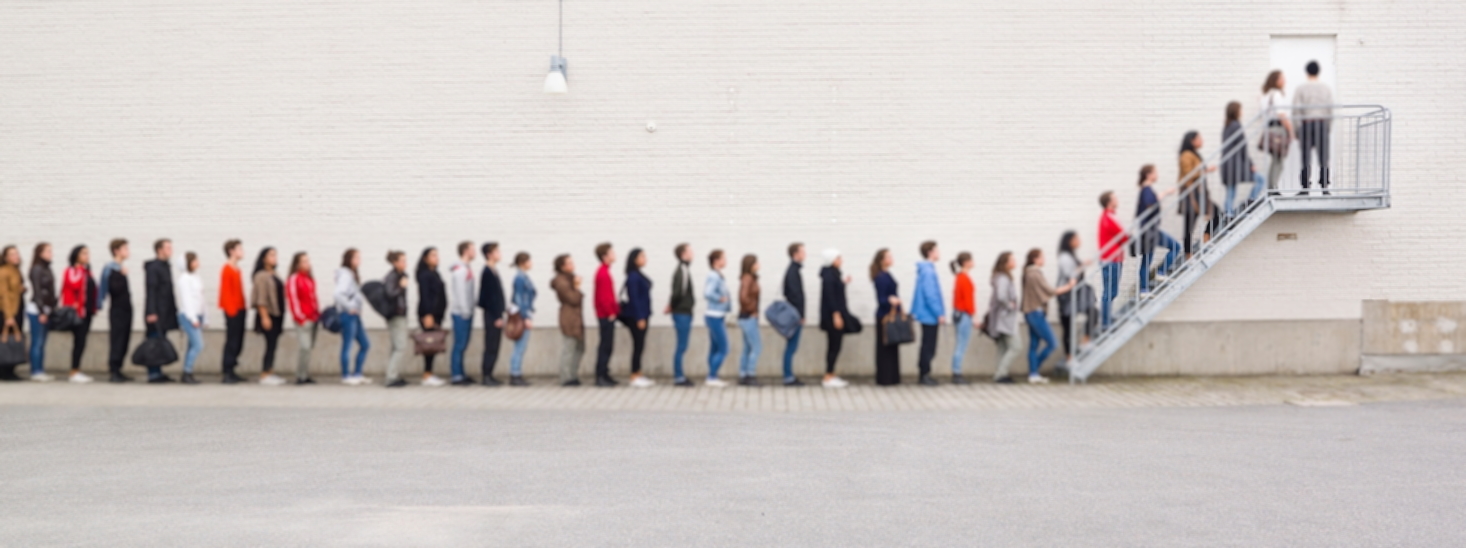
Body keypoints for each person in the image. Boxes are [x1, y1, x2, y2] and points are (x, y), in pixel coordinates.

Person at [1022, 248, 1076, 384]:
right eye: (1041, 257)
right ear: (1035, 259)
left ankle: (1033, 374)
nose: (1044, 260)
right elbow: (1051, 291)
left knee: (1034, 344)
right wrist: (1069, 286)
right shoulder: (1034, 273)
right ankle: (1035, 369)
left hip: (1031, 312)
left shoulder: (1028, 273)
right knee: (1052, 343)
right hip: (1036, 312)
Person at [1136, 164, 1182, 294]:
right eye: (1155, 172)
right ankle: (1161, 272)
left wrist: (1164, 194)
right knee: (1176, 247)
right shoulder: (1146, 190)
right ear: (1149, 175)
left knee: (1146, 261)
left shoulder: (1145, 189)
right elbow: (1151, 205)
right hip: (1150, 230)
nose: (1157, 175)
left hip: (1147, 230)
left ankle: (1144, 290)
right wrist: (1165, 193)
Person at [1056, 231, 1097, 363]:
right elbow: (1070, 274)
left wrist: (1082, 265)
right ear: (1069, 241)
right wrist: (1075, 275)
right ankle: (1069, 357)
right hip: (1067, 296)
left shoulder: (1070, 256)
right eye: (1076, 239)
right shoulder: (1064, 257)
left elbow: (1074, 271)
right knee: (1068, 327)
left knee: (1093, 311)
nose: (1079, 241)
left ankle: (1085, 340)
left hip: (1076, 295)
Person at [59, 245, 97, 383]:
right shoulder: (72, 270)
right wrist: (81, 269)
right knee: (78, 342)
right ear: (76, 255)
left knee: (82, 342)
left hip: (87, 313)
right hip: (77, 313)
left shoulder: (87, 271)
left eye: (88, 253)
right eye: (83, 253)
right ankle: (74, 371)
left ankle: (77, 370)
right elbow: (74, 284)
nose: (87, 256)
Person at [1178, 130, 1219, 259]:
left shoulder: (1194, 154)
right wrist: (1206, 170)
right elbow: (1188, 173)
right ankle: (1188, 255)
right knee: (1189, 225)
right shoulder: (1186, 155)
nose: (1201, 141)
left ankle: (1206, 238)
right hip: (1190, 194)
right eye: (1199, 138)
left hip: (1199, 193)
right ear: (1192, 141)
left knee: (1217, 212)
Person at [1221, 101, 1266, 218]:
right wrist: (1250, 164)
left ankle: (1228, 214)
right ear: (1236, 111)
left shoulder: (1228, 126)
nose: (1242, 112)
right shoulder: (1236, 125)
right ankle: (1249, 203)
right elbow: (1242, 148)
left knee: (1230, 192)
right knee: (1260, 179)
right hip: (1235, 166)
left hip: (1228, 166)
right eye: (1241, 109)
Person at [1294, 60, 1334, 194]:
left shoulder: (1301, 88)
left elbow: (1296, 110)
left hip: (1306, 124)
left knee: (1305, 157)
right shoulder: (1325, 88)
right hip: (1321, 123)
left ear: (1307, 72)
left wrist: (1297, 129)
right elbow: (1330, 110)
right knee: (1324, 157)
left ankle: (1305, 187)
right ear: (1318, 72)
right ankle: (1325, 187)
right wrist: (1328, 128)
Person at [143, 239, 180, 383]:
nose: (171, 250)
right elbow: (151, 290)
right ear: (159, 250)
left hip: (165, 312)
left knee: (160, 341)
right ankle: (153, 374)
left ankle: (158, 372)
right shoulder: (153, 268)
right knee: (153, 342)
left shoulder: (166, 266)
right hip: (155, 312)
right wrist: (151, 311)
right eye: (168, 248)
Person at [910, 241, 944, 386]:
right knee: (929, 345)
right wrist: (939, 313)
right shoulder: (928, 271)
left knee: (927, 344)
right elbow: (931, 295)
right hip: (929, 315)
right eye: (936, 250)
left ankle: (924, 374)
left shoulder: (926, 270)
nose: (939, 253)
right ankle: (924, 375)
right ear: (930, 252)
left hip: (927, 314)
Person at [335, 248, 372, 385]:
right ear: (349, 260)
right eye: (356, 257)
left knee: (365, 344)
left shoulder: (351, 274)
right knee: (347, 346)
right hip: (347, 316)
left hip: (355, 316)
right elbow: (338, 294)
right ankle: (346, 376)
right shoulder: (345, 275)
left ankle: (357, 374)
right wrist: (350, 307)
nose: (359, 260)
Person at [415, 247, 450, 387]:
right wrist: (428, 314)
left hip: (437, 314)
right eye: (433, 255)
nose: (436, 257)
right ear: (425, 258)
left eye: (437, 255)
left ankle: (429, 372)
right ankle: (427, 374)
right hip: (428, 315)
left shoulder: (435, 273)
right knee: (429, 344)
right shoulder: (424, 275)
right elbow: (425, 296)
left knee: (433, 344)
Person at [252, 247, 287, 386]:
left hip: (278, 314)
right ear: (263, 259)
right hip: (268, 314)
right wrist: (264, 316)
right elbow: (261, 298)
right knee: (270, 344)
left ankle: (270, 371)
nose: (274, 257)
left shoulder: (275, 274)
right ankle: (265, 373)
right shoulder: (261, 275)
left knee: (273, 344)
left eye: (275, 255)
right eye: (271, 255)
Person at [817, 249, 851, 388]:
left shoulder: (832, 274)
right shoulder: (830, 276)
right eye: (838, 258)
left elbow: (835, 291)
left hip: (833, 315)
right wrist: (836, 315)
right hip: (833, 317)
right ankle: (828, 376)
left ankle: (831, 374)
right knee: (834, 345)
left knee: (835, 345)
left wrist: (843, 284)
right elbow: (831, 297)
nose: (841, 260)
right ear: (832, 260)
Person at [550, 254, 585, 386]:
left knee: (579, 348)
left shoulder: (569, 279)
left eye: (572, 262)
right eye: (569, 263)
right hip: (569, 318)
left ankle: (573, 375)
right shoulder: (561, 281)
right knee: (569, 348)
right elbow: (573, 299)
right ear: (562, 267)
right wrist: (576, 286)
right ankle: (565, 378)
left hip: (576, 318)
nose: (572, 265)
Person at [101, 239, 134, 383]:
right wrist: (121, 275)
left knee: (125, 339)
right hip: (117, 311)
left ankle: (119, 369)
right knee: (117, 339)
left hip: (126, 309)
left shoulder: (120, 267)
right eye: (125, 249)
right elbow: (112, 290)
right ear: (116, 251)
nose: (128, 251)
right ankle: (114, 370)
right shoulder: (111, 268)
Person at [285, 251, 319, 384]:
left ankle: (305, 374)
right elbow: (292, 298)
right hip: (303, 319)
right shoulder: (294, 278)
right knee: (304, 346)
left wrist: (317, 313)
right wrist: (300, 317)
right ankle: (300, 376)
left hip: (313, 318)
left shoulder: (309, 278)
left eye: (308, 261)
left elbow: (313, 298)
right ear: (297, 264)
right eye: (304, 261)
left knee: (309, 347)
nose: (307, 264)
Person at [664, 243, 696, 387]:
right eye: (689, 251)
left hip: (683, 312)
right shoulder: (682, 270)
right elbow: (678, 292)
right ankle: (679, 377)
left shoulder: (684, 269)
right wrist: (672, 305)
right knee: (681, 346)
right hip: (682, 313)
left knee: (682, 345)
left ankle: (680, 375)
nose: (692, 253)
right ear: (683, 254)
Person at [988, 252, 1021, 384]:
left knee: (1002, 347)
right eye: (1012, 259)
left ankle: (1000, 374)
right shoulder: (1003, 278)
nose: (1015, 261)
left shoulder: (1001, 277)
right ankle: (1001, 373)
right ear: (1006, 263)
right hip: (1005, 318)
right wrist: (1010, 305)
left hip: (1000, 318)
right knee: (1016, 347)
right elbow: (1002, 296)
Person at [448, 241, 478, 386]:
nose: (475, 252)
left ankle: (461, 373)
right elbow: (460, 292)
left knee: (463, 344)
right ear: (465, 251)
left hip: (467, 312)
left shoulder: (466, 268)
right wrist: (466, 311)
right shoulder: (460, 270)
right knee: (459, 344)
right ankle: (456, 375)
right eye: (472, 249)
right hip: (461, 313)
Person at [623, 248, 654, 388]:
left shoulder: (638, 274)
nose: (645, 258)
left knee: (640, 345)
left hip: (643, 315)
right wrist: (640, 317)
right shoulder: (633, 276)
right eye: (642, 256)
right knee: (638, 345)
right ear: (634, 259)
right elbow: (634, 298)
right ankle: (634, 375)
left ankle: (638, 373)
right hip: (637, 316)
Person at [218, 239, 248, 384]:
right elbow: (225, 292)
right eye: (239, 249)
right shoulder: (227, 269)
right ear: (231, 251)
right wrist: (231, 311)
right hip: (232, 310)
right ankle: (227, 371)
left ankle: (233, 368)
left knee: (239, 340)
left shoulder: (237, 269)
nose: (242, 252)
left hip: (241, 309)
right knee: (232, 340)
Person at [1096, 192, 1128, 328]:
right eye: (1115, 198)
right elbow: (1124, 236)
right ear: (1109, 202)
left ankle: (1107, 317)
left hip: (1112, 259)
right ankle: (1105, 322)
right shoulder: (1109, 217)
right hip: (1111, 260)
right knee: (1109, 292)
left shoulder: (1108, 216)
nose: (1117, 199)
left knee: (1111, 291)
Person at [1260, 70, 1294, 193]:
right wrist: (1291, 130)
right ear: (1276, 81)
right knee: (1278, 161)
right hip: (1278, 130)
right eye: (1282, 78)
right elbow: (1281, 115)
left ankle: (1271, 188)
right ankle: (1272, 188)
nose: (1284, 81)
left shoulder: (1266, 95)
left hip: (1269, 129)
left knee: (1276, 160)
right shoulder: (1276, 95)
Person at [871, 248, 901, 386]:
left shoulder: (887, 274)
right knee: (885, 348)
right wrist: (891, 300)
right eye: (888, 256)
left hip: (891, 315)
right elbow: (881, 299)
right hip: (884, 317)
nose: (891, 258)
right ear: (882, 260)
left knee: (892, 346)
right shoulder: (881, 277)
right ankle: (885, 378)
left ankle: (893, 377)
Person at [480, 243, 509, 386]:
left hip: (496, 314)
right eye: (497, 251)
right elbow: (488, 297)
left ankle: (490, 374)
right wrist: (497, 316)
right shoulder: (487, 272)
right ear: (489, 254)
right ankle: (486, 376)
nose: (499, 253)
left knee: (495, 345)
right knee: (491, 345)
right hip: (492, 315)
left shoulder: (493, 270)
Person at [26, 243, 56, 381]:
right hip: (37, 310)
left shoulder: (47, 268)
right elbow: (38, 291)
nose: (51, 253)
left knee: (42, 342)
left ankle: (40, 369)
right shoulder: (37, 269)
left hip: (46, 310)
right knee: (37, 341)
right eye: (48, 251)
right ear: (40, 253)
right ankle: (36, 371)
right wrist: (42, 311)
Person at [591, 243, 619, 387]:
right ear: (605, 257)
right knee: (605, 345)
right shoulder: (602, 273)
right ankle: (600, 376)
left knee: (608, 345)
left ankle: (605, 374)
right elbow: (603, 297)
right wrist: (610, 313)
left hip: (607, 314)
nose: (614, 254)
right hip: (605, 315)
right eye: (611, 252)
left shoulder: (605, 271)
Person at [175, 251, 205, 385]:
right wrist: (193, 318)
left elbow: (201, 297)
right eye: (194, 260)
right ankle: (187, 371)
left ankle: (188, 373)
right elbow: (186, 300)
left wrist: (205, 316)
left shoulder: (196, 277)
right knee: (198, 345)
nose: (197, 262)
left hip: (198, 314)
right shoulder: (184, 279)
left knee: (192, 345)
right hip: (188, 316)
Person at [779, 242, 806, 387]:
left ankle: (788, 375)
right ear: (795, 254)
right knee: (791, 346)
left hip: (794, 314)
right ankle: (788, 376)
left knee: (792, 346)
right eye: (802, 251)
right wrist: (800, 315)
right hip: (795, 316)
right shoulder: (793, 271)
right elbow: (796, 295)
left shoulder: (793, 270)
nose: (805, 254)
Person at [703, 250, 731, 387]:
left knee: (714, 348)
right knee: (724, 348)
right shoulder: (714, 276)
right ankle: (712, 377)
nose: (725, 261)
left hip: (717, 315)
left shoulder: (718, 275)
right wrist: (720, 298)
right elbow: (708, 293)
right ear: (716, 261)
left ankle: (712, 376)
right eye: (723, 258)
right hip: (714, 315)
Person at [383, 250, 411, 388]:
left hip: (400, 314)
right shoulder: (392, 276)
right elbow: (390, 293)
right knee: (400, 346)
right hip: (395, 315)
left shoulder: (401, 275)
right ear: (395, 262)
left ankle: (393, 374)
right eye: (402, 260)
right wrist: (402, 286)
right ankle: (391, 377)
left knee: (396, 346)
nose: (405, 263)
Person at [505, 250, 532, 386]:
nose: (531, 263)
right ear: (522, 263)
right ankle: (515, 374)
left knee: (521, 346)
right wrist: (525, 316)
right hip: (521, 316)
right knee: (519, 347)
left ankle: (517, 373)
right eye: (529, 261)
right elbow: (519, 298)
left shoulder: (523, 277)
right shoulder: (520, 278)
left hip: (524, 314)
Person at [949, 251, 976, 385]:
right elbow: (967, 300)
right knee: (961, 345)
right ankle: (957, 373)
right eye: (971, 260)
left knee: (960, 344)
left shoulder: (959, 277)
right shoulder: (964, 278)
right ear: (966, 263)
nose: (973, 262)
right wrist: (973, 316)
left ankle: (956, 372)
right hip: (964, 314)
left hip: (960, 313)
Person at [736, 254, 762, 387]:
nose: (759, 264)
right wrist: (753, 311)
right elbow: (743, 298)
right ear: (751, 265)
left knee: (747, 348)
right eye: (756, 262)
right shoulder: (748, 278)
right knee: (757, 347)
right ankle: (750, 374)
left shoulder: (749, 278)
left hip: (745, 317)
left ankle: (743, 375)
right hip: (748, 317)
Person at [0, 245, 24, 381]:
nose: (16, 256)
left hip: (17, 309)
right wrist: (8, 316)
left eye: (17, 253)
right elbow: (3, 295)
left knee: (13, 341)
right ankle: (4, 371)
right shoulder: (3, 271)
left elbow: (13, 290)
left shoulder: (16, 270)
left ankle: (10, 370)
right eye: (12, 254)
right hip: (7, 311)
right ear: (6, 257)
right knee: (6, 341)